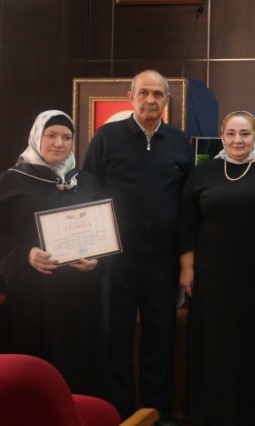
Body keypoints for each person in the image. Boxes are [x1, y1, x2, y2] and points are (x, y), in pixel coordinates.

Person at [82, 70, 193, 421]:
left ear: (166, 100)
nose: (150, 100)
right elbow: (88, 190)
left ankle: (157, 413)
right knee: (116, 339)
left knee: (160, 340)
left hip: (162, 262)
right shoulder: (107, 137)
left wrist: (185, 263)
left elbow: (187, 204)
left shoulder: (179, 141)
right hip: (115, 261)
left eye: (158, 94)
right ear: (130, 97)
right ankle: (120, 414)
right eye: (144, 93)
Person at [0, 111, 109, 398]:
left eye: (66, 137)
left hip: (80, 291)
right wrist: (26, 253)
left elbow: (103, 229)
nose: (59, 143)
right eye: (51, 135)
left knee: (81, 357)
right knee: (39, 359)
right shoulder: (13, 179)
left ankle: (83, 411)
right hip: (34, 291)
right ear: (37, 137)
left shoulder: (85, 180)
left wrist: (97, 259)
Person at [177, 112, 255, 425]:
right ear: (222, 135)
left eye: (245, 134)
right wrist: (187, 268)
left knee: (254, 342)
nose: (238, 140)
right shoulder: (203, 172)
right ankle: (210, 413)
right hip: (212, 276)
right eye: (231, 133)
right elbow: (187, 223)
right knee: (213, 343)